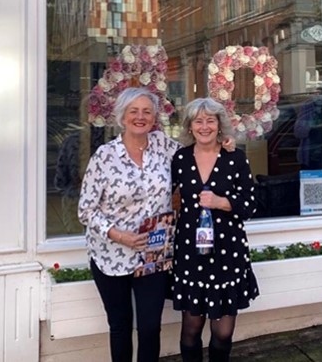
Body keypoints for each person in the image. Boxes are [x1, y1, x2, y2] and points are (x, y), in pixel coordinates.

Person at [77, 87, 178, 362]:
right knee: (120, 326)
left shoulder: (164, 146)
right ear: (122, 117)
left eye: (146, 111)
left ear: (154, 117)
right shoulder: (105, 156)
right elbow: (85, 210)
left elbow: (197, 158)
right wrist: (119, 235)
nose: (140, 116)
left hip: (152, 254)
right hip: (111, 255)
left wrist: (223, 143)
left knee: (149, 327)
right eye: (133, 111)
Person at [171, 98, 260, 362]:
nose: (205, 126)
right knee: (191, 329)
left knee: (223, 333)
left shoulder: (235, 158)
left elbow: (251, 205)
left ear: (220, 125)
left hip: (227, 254)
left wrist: (222, 202)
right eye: (198, 121)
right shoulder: (181, 159)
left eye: (210, 120)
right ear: (190, 126)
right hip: (190, 253)